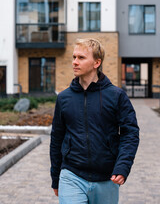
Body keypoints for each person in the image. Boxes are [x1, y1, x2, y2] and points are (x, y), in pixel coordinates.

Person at [50, 38, 139, 204]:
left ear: (97, 62)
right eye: (74, 57)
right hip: (71, 175)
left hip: (107, 178)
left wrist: (123, 166)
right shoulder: (64, 98)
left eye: (81, 58)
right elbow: (56, 139)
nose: (74, 62)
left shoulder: (117, 96)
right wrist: (56, 177)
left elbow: (130, 134)